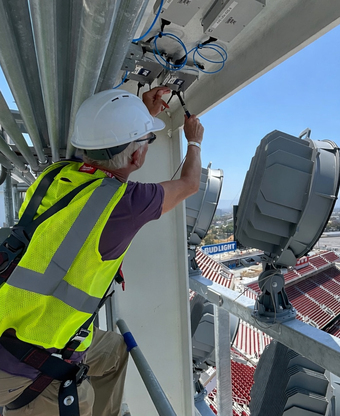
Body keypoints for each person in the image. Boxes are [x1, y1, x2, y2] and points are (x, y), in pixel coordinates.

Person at [0, 86, 204, 416]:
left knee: (114, 351)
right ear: (137, 156)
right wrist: (193, 140)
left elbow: (109, 150)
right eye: (144, 144)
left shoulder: (54, 175)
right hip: (25, 361)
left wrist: (142, 116)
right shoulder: (125, 204)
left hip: (10, 319)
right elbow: (190, 184)